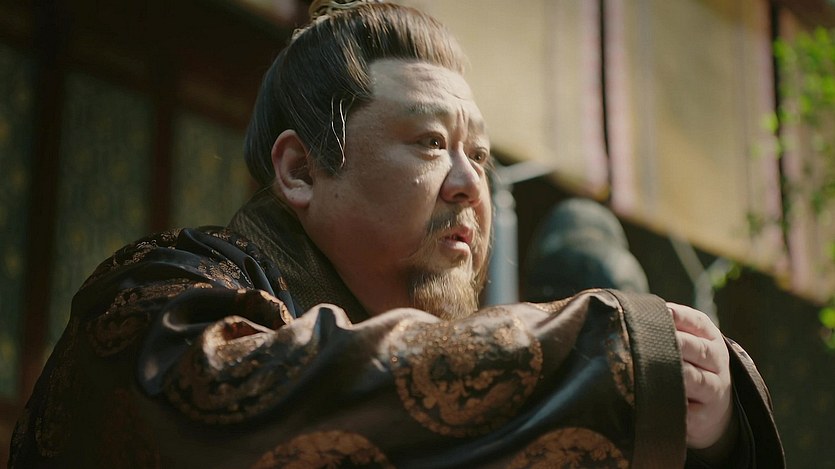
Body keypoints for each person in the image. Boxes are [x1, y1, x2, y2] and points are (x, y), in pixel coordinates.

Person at [9, 1, 783, 467]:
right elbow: (228, 409)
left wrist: (704, 430)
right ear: (300, 170)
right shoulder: (159, 294)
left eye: (480, 155)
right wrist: (615, 354)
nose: (469, 183)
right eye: (430, 142)